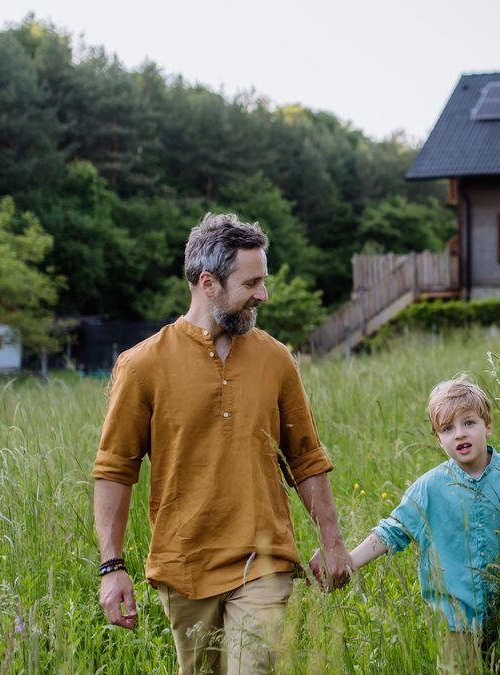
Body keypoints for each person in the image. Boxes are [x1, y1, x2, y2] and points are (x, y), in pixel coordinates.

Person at [92, 213, 353, 675]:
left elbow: (306, 459)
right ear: (208, 283)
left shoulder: (276, 359)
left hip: (265, 559)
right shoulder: (141, 365)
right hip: (184, 563)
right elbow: (115, 469)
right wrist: (112, 567)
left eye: (263, 281)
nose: (263, 294)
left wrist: (333, 543)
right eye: (251, 282)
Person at [335, 377, 500, 672]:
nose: (460, 434)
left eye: (469, 423)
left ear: (487, 426)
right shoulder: (430, 488)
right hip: (454, 622)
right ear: (438, 439)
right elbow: (391, 531)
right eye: (448, 429)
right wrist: (348, 562)